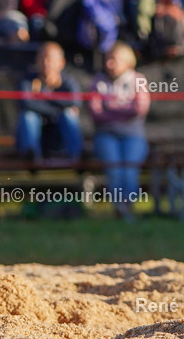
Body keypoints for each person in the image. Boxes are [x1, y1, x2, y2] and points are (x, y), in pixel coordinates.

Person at [89, 42, 150, 221]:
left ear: (127, 61)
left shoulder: (138, 80)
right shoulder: (98, 81)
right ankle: (120, 208)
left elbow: (139, 109)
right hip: (106, 135)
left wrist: (110, 108)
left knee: (129, 170)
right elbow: (95, 113)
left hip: (133, 135)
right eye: (107, 59)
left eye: (114, 60)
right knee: (114, 169)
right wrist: (123, 110)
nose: (109, 64)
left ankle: (127, 207)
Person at [15, 42, 84, 162]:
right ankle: (31, 156)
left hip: (58, 135)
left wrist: (42, 99)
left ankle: (77, 157)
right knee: (28, 116)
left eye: (50, 59)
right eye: (42, 58)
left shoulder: (68, 82)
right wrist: (58, 108)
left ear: (61, 62)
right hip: (36, 133)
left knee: (68, 114)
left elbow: (75, 102)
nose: (46, 62)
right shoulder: (28, 80)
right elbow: (26, 103)